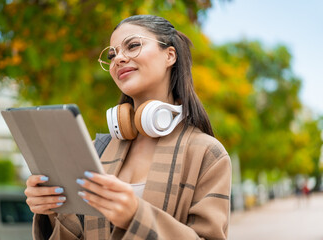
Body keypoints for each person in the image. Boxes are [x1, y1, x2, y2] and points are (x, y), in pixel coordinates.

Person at [24, 15, 232, 239]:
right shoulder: (96, 151)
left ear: (170, 55)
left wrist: (136, 215)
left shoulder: (207, 154)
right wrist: (51, 211)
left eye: (132, 46)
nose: (119, 59)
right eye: (112, 54)